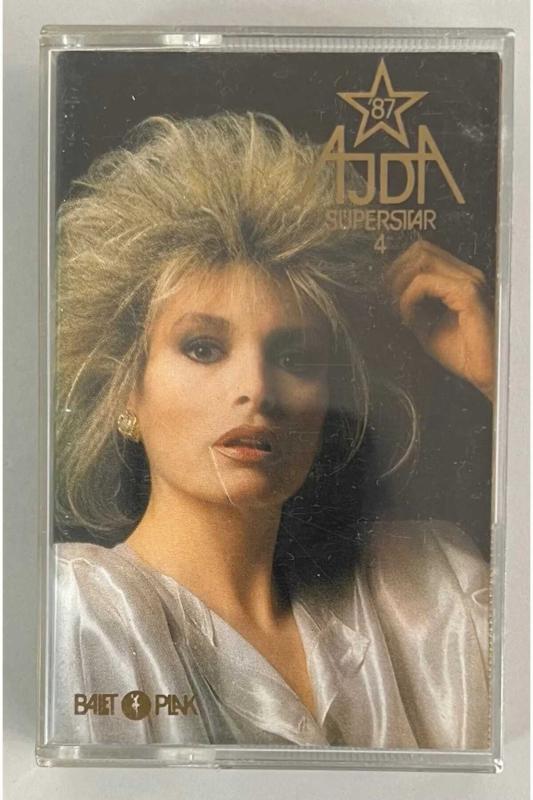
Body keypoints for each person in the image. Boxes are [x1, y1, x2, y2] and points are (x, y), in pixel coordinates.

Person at [51, 112, 493, 748]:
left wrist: (504, 378)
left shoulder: (432, 588)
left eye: (295, 357)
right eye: (204, 348)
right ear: (125, 389)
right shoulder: (81, 611)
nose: (257, 390)